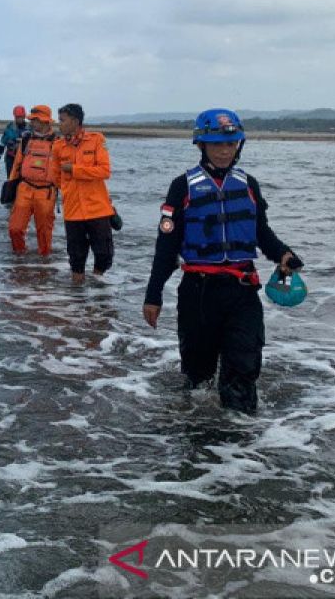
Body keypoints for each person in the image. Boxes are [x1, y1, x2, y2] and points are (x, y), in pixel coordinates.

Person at [141, 108, 303, 414]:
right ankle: (200, 443)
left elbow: (260, 232)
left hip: (242, 291)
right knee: (197, 379)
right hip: (198, 294)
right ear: (202, 145)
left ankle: (241, 448)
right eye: (217, 144)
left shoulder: (249, 184)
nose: (225, 150)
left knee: (242, 370)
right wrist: (153, 295)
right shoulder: (182, 187)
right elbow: (166, 247)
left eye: (230, 144)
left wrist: (283, 255)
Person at [52, 103, 115, 285]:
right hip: (73, 210)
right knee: (76, 259)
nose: (59, 125)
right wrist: (69, 189)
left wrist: (75, 170)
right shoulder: (58, 147)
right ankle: (77, 300)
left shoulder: (96, 140)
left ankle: (97, 287)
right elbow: (55, 176)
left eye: (62, 121)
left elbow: (104, 171)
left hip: (98, 209)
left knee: (104, 255)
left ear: (75, 121)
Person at [7, 105, 59, 256]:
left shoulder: (58, 143)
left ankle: (44, 264)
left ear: (44, 121)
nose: (31, 122)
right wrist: (10, 189)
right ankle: (20, 258)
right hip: (24, 189)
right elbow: (16, 166)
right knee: (14, 229)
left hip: (47, 192)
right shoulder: (26, 140)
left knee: (44, 233)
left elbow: (63, 172)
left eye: (34, 120)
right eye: (31, 119)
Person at [0, 105, 28, 177]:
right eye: (17, 117)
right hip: (10, 159)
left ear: (24, 116)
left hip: (24, 160)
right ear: (14, 117)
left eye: (20, 117)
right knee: (10, 180)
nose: (19, 119)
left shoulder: (29, 129)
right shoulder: (9, 129)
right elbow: (1, 146)